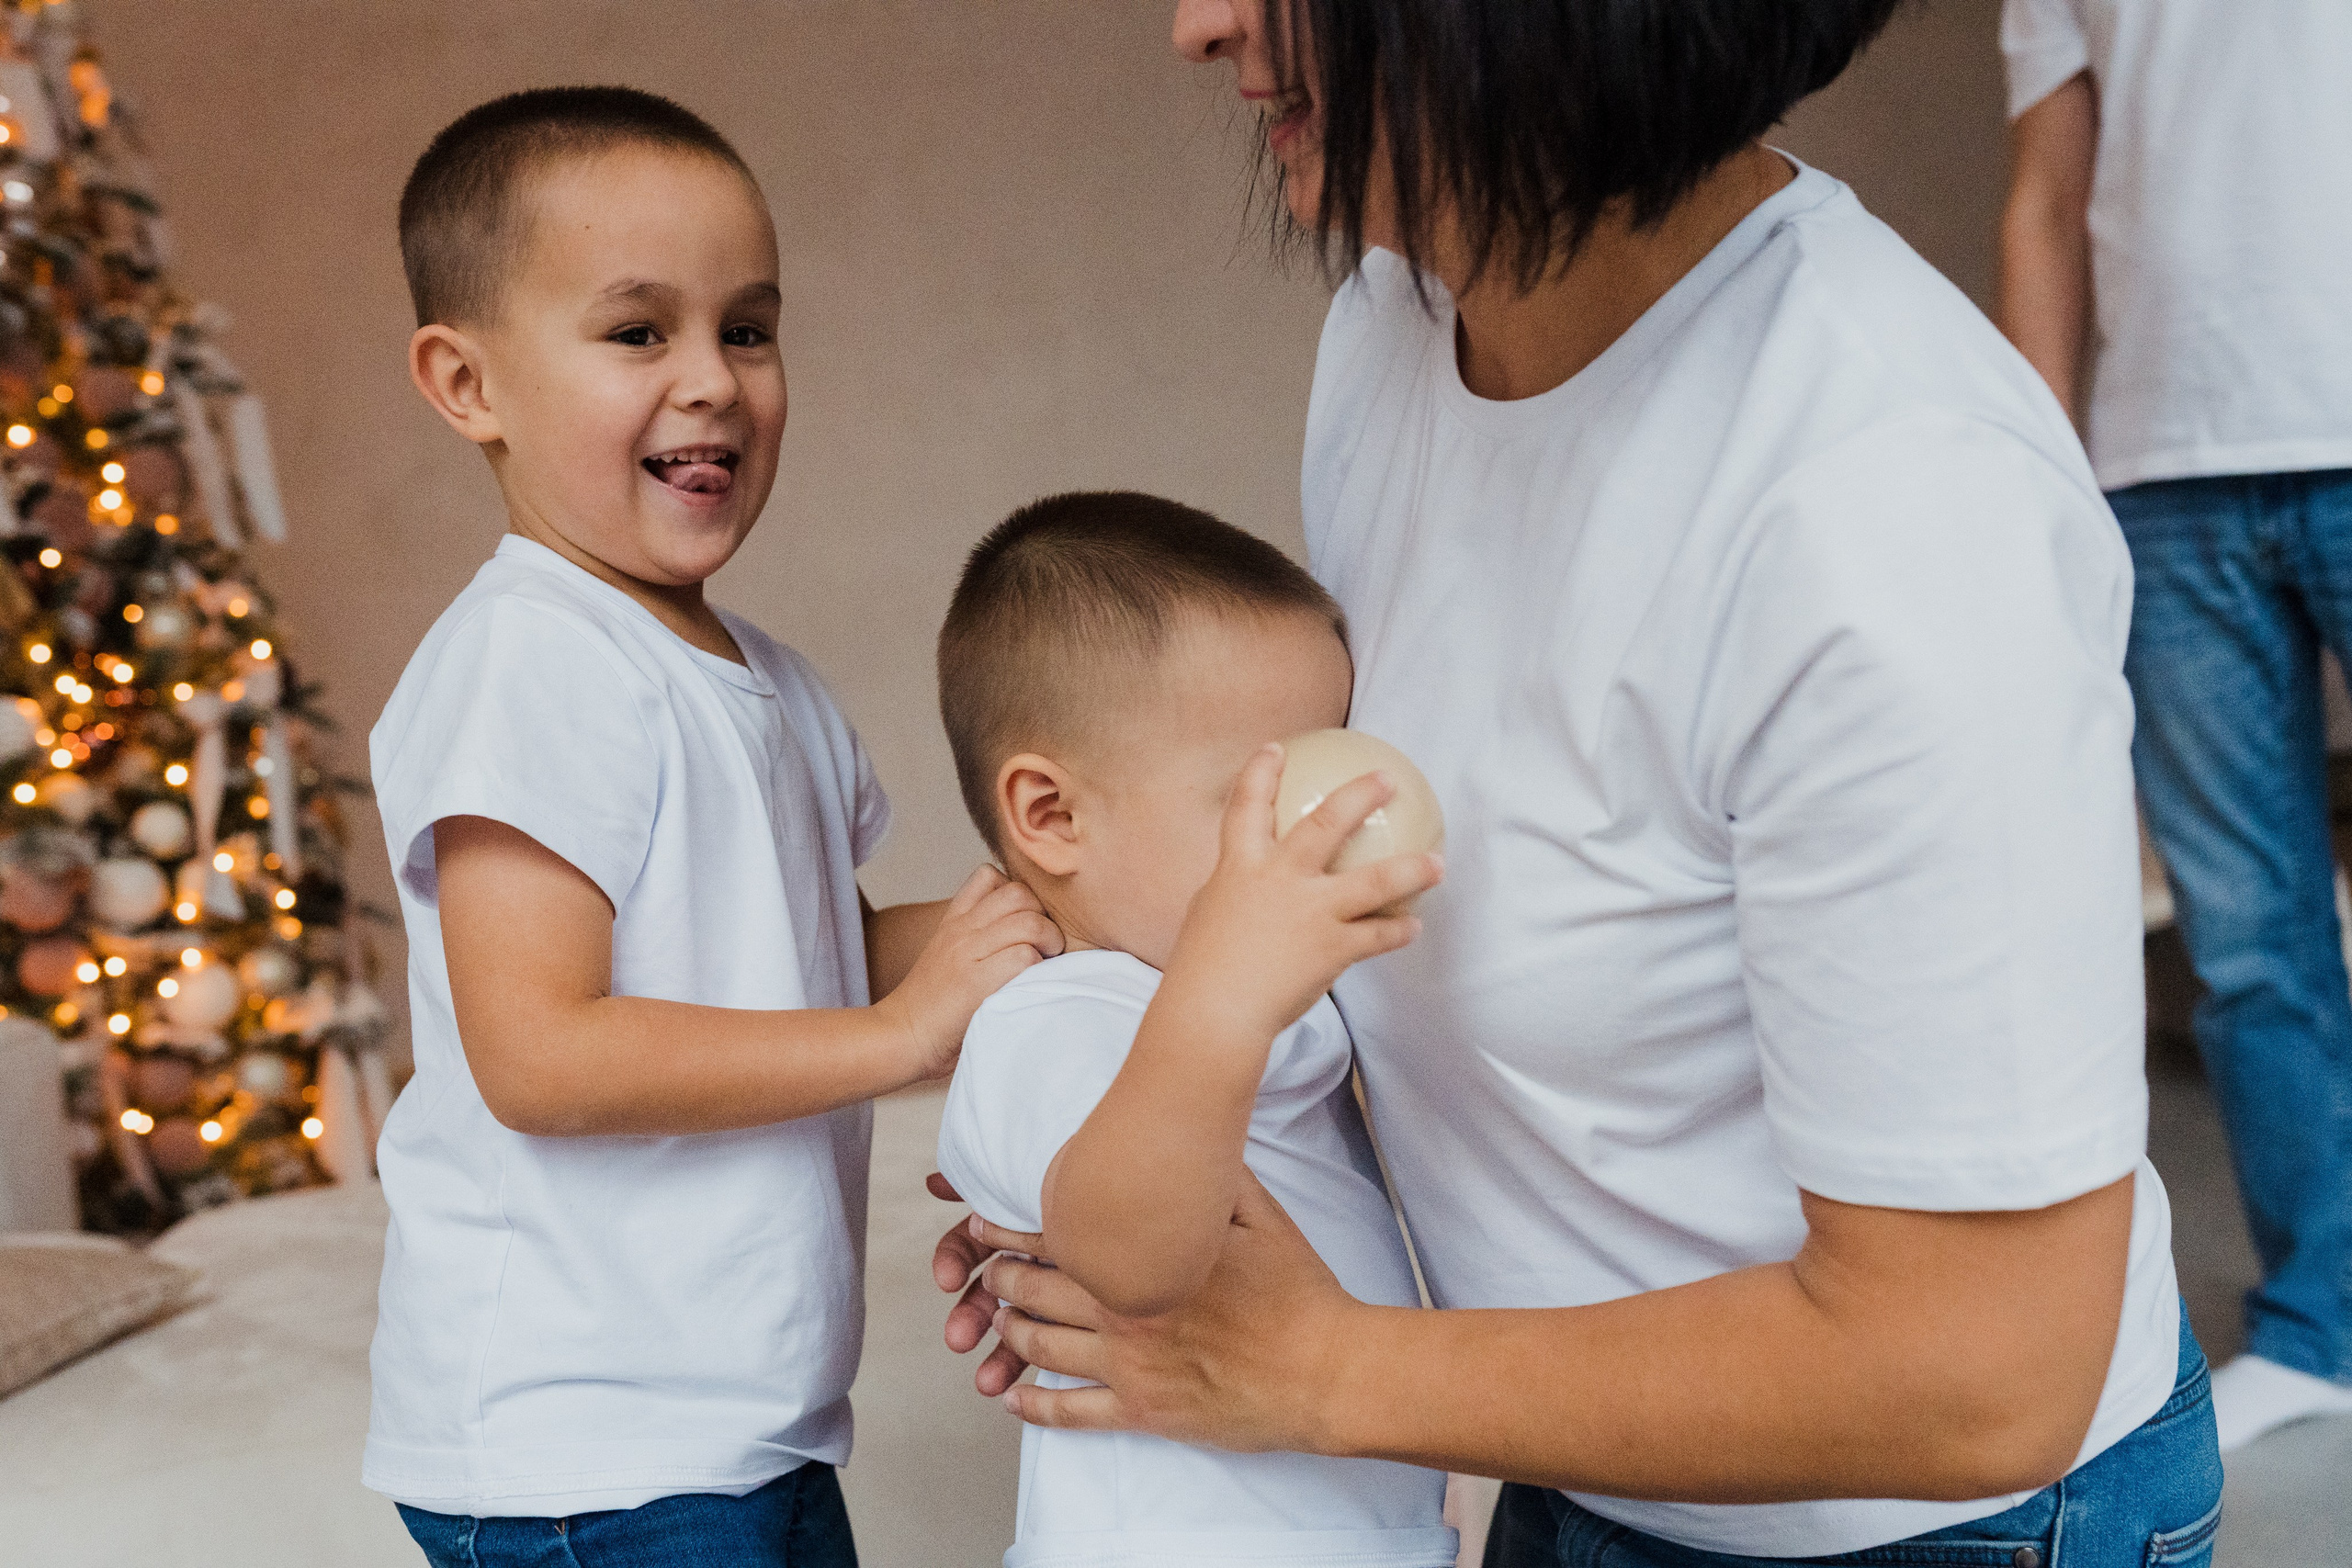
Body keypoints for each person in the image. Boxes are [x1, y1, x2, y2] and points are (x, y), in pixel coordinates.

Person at [932, 3, 2225, 1563]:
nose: (1198, 24)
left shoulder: (1893, 508)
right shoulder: (1399, 332)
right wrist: (1110, 1152)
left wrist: (1321, 1365)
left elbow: (1984, 1369)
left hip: (1930, 1523)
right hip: (1563, 1448)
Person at [365, 87, 1057, 1566]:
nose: (715, 382)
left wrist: (1052, 920)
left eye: (748, 328)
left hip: (748, 1417)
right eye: (638, 333)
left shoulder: (770, 682)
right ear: (465, 380)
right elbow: (541, 1051)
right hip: (586, 1450)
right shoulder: (529, 660)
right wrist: (902, 1037)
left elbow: (816, 947)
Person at [931, 493, 1454, 1568]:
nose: (1317, 839)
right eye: (1259, 798)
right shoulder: (1062, 1016)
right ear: (1052, 817)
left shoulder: (1258, 1000)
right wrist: (1223, 997)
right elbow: (1129, 1258)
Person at [1997, 0, 2352, 1453]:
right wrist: (2044, 482)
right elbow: (2048, 196)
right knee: (2251, 934)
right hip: (2161, 473)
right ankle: (2326, 1323)